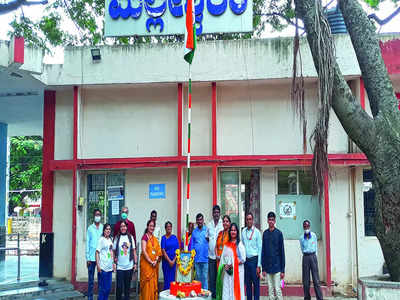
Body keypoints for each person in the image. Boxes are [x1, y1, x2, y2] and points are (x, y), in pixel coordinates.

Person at [217, 223, 246, 300]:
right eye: (232, 230)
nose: (233, 232)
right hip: (227, 273)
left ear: (237, 232)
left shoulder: (240, 245)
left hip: (238, 273)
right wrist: (225, 265)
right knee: (227, 290)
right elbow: (223, 259)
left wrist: (232, 265)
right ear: (229, 232)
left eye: (235, 230)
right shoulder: (226, 245)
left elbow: (243, 259)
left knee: (236, 292)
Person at [261, 212, 285, 300]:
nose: (271, 221)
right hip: (268, 267)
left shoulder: (279, 233)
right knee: (270, 290)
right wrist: (263, 268)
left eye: (272, 220)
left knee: (278, 289)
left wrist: (282, 270)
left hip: (277, 267)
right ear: (267, 221)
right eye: (269, 219)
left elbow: (282, 252)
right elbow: (263, 251)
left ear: (275, 221)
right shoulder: (265, 234)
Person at [113, 221, 137, 300]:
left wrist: (135, 263)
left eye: (124, 226)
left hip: (129, 266)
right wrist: (114, 262)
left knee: (127, 288)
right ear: (120, 228)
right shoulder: (117, 237)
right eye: (121, 226)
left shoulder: (130, 237)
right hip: (119, 266)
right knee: (119, 287)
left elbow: (134, 251)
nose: (123, 228)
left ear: (127, 227)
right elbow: (113, 251)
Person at [300, 220, 323, 300]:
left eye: (307, 226)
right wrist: (306, 255)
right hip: (305, 257)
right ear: (303, 227)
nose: (306, 227)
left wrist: (314, 256)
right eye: (305, 226)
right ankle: (307, 298)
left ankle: (319, 298)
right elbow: (302, 249)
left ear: (310, 226)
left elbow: (316, 246)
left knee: (316, 280)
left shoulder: (314, 235)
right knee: (306, 281)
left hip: (313, 257)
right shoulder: (301, 238)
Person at [242, 212, 262, 300]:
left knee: (256, 285)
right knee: (248, 285)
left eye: (250, 219)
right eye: (247, 219)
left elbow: (260, 249)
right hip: (246, 261)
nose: (249, 221)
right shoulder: (243, 231)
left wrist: (259, 265)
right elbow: (242, 247)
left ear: (253, 220)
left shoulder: (257, 232)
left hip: (254, 261)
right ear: (245, 221)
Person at [140, 219, 162, 300]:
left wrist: (156, 260)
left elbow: (158, 251)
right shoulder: (144, 237)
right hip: (146, 267)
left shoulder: (155, 239)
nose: (152, 228)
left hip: (153, 267)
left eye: (153, 226)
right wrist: (150, 261)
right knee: (146, 288)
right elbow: (144, 250)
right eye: (150, 226)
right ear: (147, 226)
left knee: (153, 289)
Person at [86, 209, 104, 300]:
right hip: (92, 259)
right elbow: (87, 244)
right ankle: (90, 297)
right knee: (91, 280)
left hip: (100, 258)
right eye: (96, 215)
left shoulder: (102, 227)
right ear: (94, 216)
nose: (98, 216)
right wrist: (87, 258)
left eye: (99, 215)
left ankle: (100, 297)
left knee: (101, 280)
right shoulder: (90, 228)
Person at [207, 205, 223, 299]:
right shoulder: (209, 225)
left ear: (219, 213)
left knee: (219, 278)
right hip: (211, 256)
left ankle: (219, 296)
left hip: (220, 258)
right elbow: (207, 237)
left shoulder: (222, 224)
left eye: (217, 212)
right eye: (214, 212)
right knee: (212, 278)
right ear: (212, 214)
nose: (216, 214)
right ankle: (213, 296)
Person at [96, 223, 115, 300]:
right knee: (102, 289)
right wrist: (98, 266)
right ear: (104, 230)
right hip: (103, 268)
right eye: (106, 229)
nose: (108, 230)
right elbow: (97, 253)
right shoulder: (101, 240)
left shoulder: (110, 240)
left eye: (109, 229)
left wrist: (113, 263)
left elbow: (111, 252)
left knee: (108, 289)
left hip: (109, 268)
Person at [191, 213, 209, 290]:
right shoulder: (194, 232)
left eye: (201, 219)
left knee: (205, 278)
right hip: (197, 259)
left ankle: (205, 296)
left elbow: (211, 242)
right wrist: (192, 258)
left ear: (203, 220)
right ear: (196, 221)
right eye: (198, 220)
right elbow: (192, 245)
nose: (199, 221)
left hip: (205, 258)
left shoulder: (207, 230)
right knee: (198, 278)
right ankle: (198, 295)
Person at [161, 221, 180, 290]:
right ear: (165, 228)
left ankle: (173, 294)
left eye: (170, 227)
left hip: (174, 262)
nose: (169, 228)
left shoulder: (175, 237)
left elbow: (178, 250)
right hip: (166, 263)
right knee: (167, 280)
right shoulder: (163, 238)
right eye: (167, 227)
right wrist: (169, 261)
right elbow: (163, 250)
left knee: (173, 279)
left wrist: (174, 260)